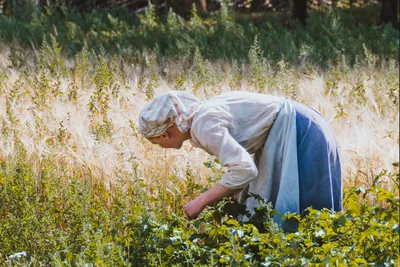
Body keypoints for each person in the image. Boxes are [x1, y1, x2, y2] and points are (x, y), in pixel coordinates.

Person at [138, 90, 342, 230]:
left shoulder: (203, 125)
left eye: (156, 143)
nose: (160, 147)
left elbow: (244, 169)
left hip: (302, 131)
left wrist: (201, 201)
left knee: (311, 215)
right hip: (304, 123)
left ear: (164, 135)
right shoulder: (203, 117)